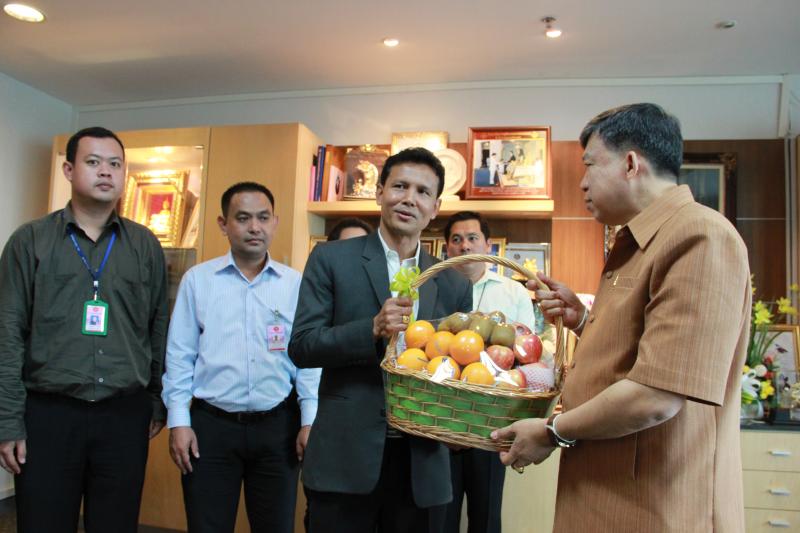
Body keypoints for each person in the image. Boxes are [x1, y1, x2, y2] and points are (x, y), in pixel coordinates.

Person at [492, 103, 751, 532]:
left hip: (655, 505)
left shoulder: (700, 236)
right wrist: (582, 321)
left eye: (590, 165)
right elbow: (634, 352)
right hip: (606, 491)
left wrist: (552, 431)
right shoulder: (638, 242)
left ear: (631, 164)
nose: (583, 182)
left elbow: (656, 395)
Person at [289, 147, 472, 533]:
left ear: (435, 207)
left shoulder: (453, 282)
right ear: (379, 192)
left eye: (423, 192)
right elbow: (303, 345)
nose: (410, 198)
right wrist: (370, 329)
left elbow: (459, 367)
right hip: (345, 458)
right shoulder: (331, 259)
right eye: (400, 186)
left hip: (421, 464)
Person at [0, 126, 169, 533]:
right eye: (93, 162)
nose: (106, 171)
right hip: (49, 413)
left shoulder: (145, 245)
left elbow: (158, 326)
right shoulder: (30, 241)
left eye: (115, 164)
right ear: (69, 170)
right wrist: (8, 421)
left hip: (123, 414)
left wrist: (156, 399)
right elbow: (8, 333)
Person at [162, 182, 320, 533]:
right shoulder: (197, 281)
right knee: (207, 525)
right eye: (243, 218)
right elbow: (179, 356)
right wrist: (178, 421)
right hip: (210, 428)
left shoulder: (294, 284)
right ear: (224, 224)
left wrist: (309, 420)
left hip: (278, 428)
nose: (254, 227)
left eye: (263, 218)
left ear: (275, 222)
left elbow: (307, 360)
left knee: (275, 526)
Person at [442, 211, 536, 533]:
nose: (464, 246)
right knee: (440, 517)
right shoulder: (435, 288)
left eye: (472, 238)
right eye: (456, 239)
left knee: (486, 516)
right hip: (441, 416)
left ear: (487, 244)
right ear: (447, 247)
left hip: (491, 421)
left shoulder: (513, 292)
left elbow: (527, 352)